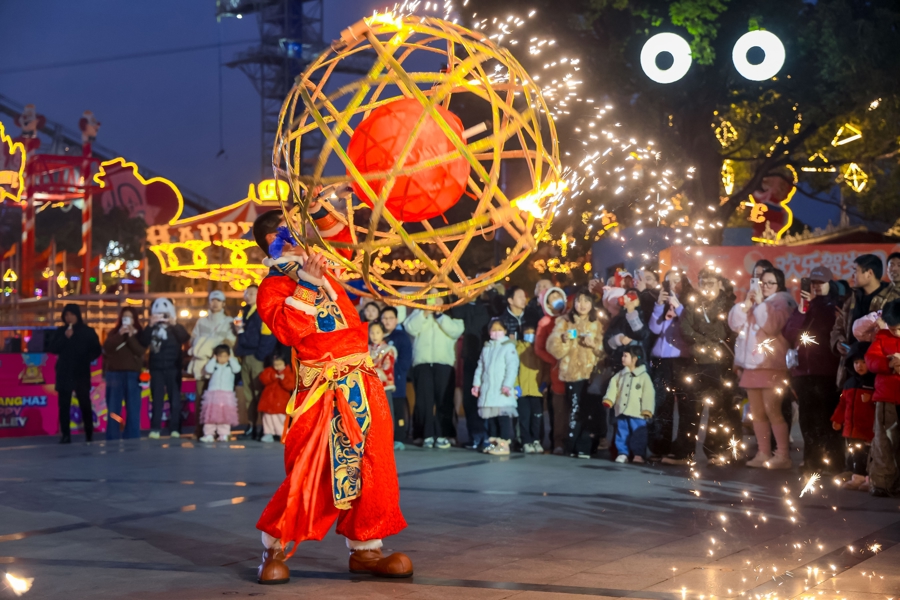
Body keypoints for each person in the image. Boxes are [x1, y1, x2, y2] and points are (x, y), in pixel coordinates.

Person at [251, 205, 411, 584]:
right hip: (321, 388)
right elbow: (289, 332)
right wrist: (306, 283)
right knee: (313, 467)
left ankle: (367, 548)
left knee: (375, 463)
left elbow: (348, 245)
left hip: (362, 379)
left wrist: (321, 208)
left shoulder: (326, 269)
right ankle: (275, 545)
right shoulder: (274, 285)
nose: (300, 238)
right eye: (289, 233)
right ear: (274, 243)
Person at [728, 267, 797, 469]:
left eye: (770, 283)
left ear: (779, 285)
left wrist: (759, 304)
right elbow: (734, 324)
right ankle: (763, 452)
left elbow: (772, 326)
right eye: (762, 282)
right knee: (757, 413)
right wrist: (747, 304)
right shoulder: (755, 301)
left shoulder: (783, 302)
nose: (765, 286)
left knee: (773, 410)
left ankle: (783, 455)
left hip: (771, 364)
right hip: (751, 365)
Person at [783, 266, 843, 473]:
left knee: (829, 418)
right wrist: (802, 307)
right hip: (803, 373)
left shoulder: (836, 306)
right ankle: (812, 461)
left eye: (821, 283)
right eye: (813, 283)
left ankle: (833, 461)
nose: (816, 287)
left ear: (829, 283)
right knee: (808, 419)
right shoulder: (805, 306)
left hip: (827, 372)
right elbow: (789, 332)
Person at [680, 270, 738, 465]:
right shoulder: (693, 302)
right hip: (698, 361)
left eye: (711, 283)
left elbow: (722, 331)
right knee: (694, 407)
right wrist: (702, 342)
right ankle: (687, 451)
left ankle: (716, 450)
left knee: (717, 409)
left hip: (720, 363)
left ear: (719, 284)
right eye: (703, 282)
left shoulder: (728, 304)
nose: (706, 286)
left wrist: (704, 339)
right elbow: (686, 327)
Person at [548, 288, 605, 459]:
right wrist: (564, 340)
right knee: (574, 409)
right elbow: (553, 348)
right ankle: (571, 445)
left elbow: (604, 352)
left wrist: (594, 345)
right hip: (572, 373)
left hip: (592, 375)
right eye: (579, 301)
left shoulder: (597, 323)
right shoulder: (564, 321)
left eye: (587, 301)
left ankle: (585, 446)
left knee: (589, 411)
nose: (582, 305)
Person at [831, 254, 900, 389]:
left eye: (855, 271)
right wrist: (838, 342)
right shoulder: (852, 299)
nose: (852, 275)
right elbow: (838, 327)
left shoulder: (893, 298)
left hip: (881, 371)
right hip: (854, 371)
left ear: (869, 273)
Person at [404, 299, 464, 449]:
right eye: (431, 297)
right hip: (422, 363)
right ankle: (425, 435)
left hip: (444, 363)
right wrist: (425, 313)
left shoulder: (452, 314)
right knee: (424, 401)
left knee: (444, 400)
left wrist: (440, 316)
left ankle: (444, 434)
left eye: (438, 297)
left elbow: (456, 330)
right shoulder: (418, 313)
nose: (434, 300)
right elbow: (410, 328)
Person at [647, 272, 692, 464]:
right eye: (670, 281)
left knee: (685, 405)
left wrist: (680, 307)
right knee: (661, 404)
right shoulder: (663, 303)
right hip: (661, 360)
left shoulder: (691, 301)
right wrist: (659, 305)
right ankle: (659, 447)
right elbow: (654, 329)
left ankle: (682, 449)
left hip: (682, 359)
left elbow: (692, 326)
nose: (673, 284)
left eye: (677, 281)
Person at [49, 304, 102, 444]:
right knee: (64, 405)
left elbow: (96, 349)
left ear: (78, 315)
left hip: (81, 372)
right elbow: (53, 348)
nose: (69, 318)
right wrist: (65, 338)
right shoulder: (61, 331)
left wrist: (86, 358)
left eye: (72, 315)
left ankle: (89, 434)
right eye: (66, 315)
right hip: (64, 372)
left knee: (84, 402)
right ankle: (65, 434)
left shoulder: (87, 331)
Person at [139, 299, 191, 439]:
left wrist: (174, 324)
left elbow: (185, 338)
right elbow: (143, 342)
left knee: (175, 399)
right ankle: (155, 428)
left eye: (164, 314)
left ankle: (175, 428)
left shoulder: (175, 327)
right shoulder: (152, 328)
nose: (162, 317)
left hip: (173, 367)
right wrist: (150, 325)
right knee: (156, 399)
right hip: (156, 368)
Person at [863, 299, 900, 497]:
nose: (896, 333)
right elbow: (871, 360)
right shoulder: (882, 337)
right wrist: (888, 364)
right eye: (893, 328)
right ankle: (883, 482)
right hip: (887, 398)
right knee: (884, 441)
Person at [449, 288, 493, 450]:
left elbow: (498, 310)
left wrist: (491, 291)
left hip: (489, 357)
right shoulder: (466, 306)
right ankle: (474, 436)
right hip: (469, 356)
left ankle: (488, 436)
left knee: (487, 397)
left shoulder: (488, 305)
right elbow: (456, 312)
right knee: (470, 399)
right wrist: (460, 295)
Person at [188, 290, 237, 434]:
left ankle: (220, 431)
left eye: (218, 300)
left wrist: (206, 345)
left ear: (223, 303)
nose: (215, 303)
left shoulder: (228, 322)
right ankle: (201, 430)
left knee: (219, 401)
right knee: (201, 398)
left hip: (220, 367)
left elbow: (230, 342)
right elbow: (193, 340)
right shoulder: (201, 321)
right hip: (202, 366)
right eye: (212, 300)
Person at [234, 284, 277, 440]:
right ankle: (251, 425)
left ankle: (261, 426)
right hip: (245, 355)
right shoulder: (244, 312)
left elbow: (268, 336)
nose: (249, 296)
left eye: (253, 293)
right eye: (247, 293)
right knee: (248, 393)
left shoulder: (263, 312)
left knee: (258, 392)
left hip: (255, 356)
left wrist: (260, 356)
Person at [831, 342, 875, 491]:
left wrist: (872, 400)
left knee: (870, 455)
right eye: (856, 362)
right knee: (856, 454)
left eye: (863, 362)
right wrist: (837, 419)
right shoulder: (849, 383)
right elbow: (843, 404)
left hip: (868, 429)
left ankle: (870, 478)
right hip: (853, 429)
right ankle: (858, 476)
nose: (859, 366)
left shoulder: (874, 383)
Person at [472, 318, 520, 455]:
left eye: (499, 329)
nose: (496, 332)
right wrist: (477, 384)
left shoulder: (508, 347)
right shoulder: (487, 348)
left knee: (502, 419)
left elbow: (512, 367)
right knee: (491, 419)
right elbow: (480, 367)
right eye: (494, 329)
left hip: (501, 391)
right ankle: (494, 442)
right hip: (489, 391)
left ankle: (504, 443)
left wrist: (507, 385)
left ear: (505, 331)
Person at [603, 347, 654, 464]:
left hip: (638, 412)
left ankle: (638, 454)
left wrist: (647, 409)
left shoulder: (643, 376)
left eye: (625, 356)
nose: (622, 358)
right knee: (622, 432)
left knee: (638, 433)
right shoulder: (620, 374)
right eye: (623, 355)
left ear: (635, 359)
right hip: (622, 410)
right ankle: (622, 452)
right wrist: (609, 399)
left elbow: (648, 394)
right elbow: (613, 387)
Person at [533, 286, 568, 455]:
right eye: (552, 298)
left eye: (558, 296)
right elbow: (539, 348)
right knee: (558, 408)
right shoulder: (545, 322)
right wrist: (554, 360)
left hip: (574, 368)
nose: (556, 300)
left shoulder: (571, 317)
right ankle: (558, 441)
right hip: (555, 371)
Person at [103, 307, 146, 440]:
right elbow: (107, 348)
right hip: (114, 375)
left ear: (134, 319)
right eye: (124, 317)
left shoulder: (140, 334)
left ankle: (132, 436)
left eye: (130, 317)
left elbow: (140, 351)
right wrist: (120, 334)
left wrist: (131, 336)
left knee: (133, 408)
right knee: (114, 409)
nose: (127, 320)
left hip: (133, 375)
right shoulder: (114, 333)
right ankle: (112, 436)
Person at [381, 306, 413, 443]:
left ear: (396, 320)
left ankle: (399, 437)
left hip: (396, 381)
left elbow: (406, 361)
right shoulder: (377, 336)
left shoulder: (402, 337)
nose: (387, 321)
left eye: (390, 318)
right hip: (381, 382)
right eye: (384, 318)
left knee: (398, 409)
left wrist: (395, 374)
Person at [369, 321, 403, 450]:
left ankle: (387, 441)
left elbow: (387, 369)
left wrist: (371, 369)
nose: (374, 335)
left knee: (385, 415)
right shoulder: (366, 349)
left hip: (383, 387)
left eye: (378, 332)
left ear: (383, 333)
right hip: (370, 387)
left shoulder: (389, 349)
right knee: (372, 414)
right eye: (372, 332)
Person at [199, 345, 241, 443]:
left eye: (225, 356)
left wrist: (231, 360)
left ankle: (224, 434)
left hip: (226, 394)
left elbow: (237, 369)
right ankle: (208, 434)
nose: (222, 359)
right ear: (216, 356)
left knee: (224, 416)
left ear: (229, 356)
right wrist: (213, 360)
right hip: (213, 394)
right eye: (220, 356)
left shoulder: (230, 365)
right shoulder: (214, 365)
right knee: (210, 415)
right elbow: (208, 369)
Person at [516, 324, 544, 453]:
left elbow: (546, 368)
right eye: (527, 332)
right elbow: (513, 368)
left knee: (536, 417)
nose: (529, 335)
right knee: (524, 417)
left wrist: (545, 382)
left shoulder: (540, 349)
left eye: (532, 332)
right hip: (522, 390)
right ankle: (526, 441)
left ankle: (536, 440)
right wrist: (515, 385)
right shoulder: (517, 348)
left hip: (537, 390)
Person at [257, 354, 294, 443]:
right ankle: (268, 433)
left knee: (280, 419)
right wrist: (272, 376)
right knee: (267, 418)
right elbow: (263, 378)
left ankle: (283, 434)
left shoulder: (288, 373)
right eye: (276, 365)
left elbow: (291, 386)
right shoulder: (269, 371)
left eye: (280, 364)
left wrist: (283, 379)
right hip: (268, 401)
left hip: (280, 402)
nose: (277, 367)